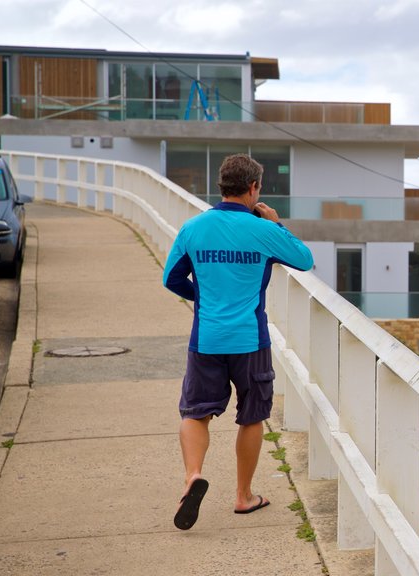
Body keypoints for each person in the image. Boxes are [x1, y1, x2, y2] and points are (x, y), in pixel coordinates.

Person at [163, 154, 314, 530]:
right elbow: (304, 259)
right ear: (253, 188)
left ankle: (193, 476)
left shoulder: (194, 227)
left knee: (195, 412)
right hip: (250, 338)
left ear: (221, 186)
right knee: (252, 416)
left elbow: (172, 278)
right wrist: (278, 225)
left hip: (207, 337)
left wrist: (202, 298)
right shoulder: (263, 230)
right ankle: (243, 496)